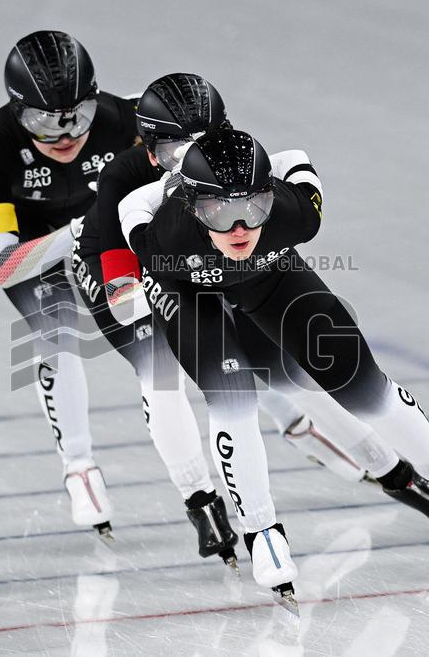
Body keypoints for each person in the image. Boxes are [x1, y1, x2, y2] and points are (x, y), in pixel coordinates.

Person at [119, 129, 429, 613]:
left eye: (254, 208)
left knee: (361, 382)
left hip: (269, 276)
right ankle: (260, 529)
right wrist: (167, 190)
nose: (240, 228)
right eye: (219, 214)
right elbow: (130, 206)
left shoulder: (296, 215)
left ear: (271, 197)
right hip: (188, 290)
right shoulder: (165, 237)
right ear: (192, 207)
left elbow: (292, 157)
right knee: (233, 399)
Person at [74, 73, 379, 566]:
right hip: (129, 263)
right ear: (150, 151)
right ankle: (200, 499)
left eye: (204, 142)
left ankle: (298, 420)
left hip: (193, 248)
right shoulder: (124, 179)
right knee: (162, 372)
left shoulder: (224, 160)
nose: (189, 160)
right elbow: (124, 298)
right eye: (174, 152)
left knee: (257, 334)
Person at [0, 30, 138, 538]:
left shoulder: (122, 119)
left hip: (90, 222)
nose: (65, 135)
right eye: (44, 122)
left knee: (178, 307)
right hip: (27, 239)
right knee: (56, 331)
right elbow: (5, 265)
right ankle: (79, 466)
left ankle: (285, 414)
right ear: (17, 112)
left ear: (96, 98)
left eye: (78, 115)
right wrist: (77, 233)